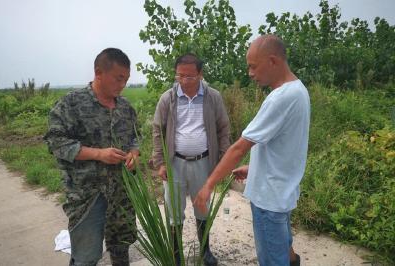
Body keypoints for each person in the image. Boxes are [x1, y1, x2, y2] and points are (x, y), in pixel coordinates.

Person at [194, 35, 310, 266]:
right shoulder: (299, 90)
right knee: (285, 251)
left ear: (273, 61)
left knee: (273, 260)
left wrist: (208, 186)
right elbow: (286, 146)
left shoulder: (281, 98)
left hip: (270, 200)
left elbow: (239, 147)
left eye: (253, 66)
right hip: (282, 192)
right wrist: (254, 167)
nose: (249, 72)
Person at [44, 48, 140, 266]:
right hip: (88, 196)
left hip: (122, 194)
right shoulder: (72, 104)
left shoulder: (125, 108)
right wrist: (99, 154)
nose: (123, 84)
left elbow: (135, 137)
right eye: (119, 78)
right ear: (99, 72)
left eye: (126, 79)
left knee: (121, 246)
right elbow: (55, 142)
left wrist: (134, 154)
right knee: (86, 256)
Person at [152, 53, 230, 266]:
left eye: (190, 76)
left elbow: (223, 128)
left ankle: (205, 250)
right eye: (180, 76)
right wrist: (159, 162)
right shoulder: (168, 98)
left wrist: (222, 161)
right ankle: (176, 256)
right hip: (174, 163)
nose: (184, 81)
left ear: (200, 75)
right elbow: (158, 129)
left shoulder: (212, 97)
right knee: (174, 212)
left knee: (202, 207)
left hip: (204, 162)